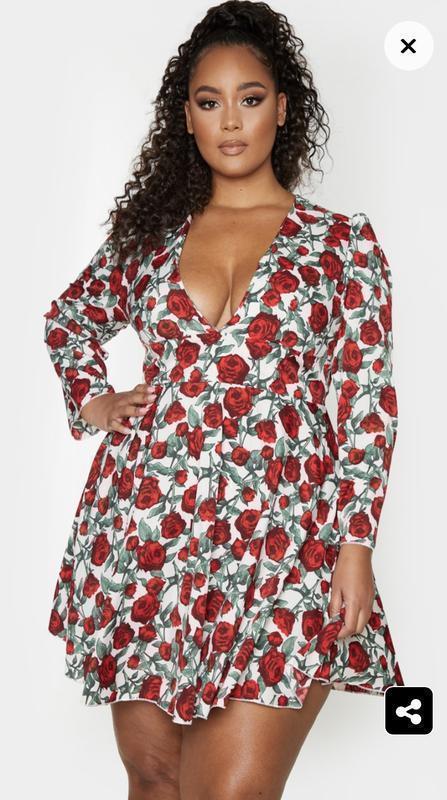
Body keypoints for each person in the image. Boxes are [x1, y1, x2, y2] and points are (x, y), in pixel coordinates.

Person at [43, 2, 405, 798]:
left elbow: (366, 402)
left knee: (230, 791)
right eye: (209, 102)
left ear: (283, 107)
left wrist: (355, 544)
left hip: (283, 536)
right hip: (145, 530)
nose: (230, 121)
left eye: (250, 97)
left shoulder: (339, 245)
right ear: (187, 117)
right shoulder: (148, 237)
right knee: (154, 777)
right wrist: (94, 401)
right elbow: (69, 320)